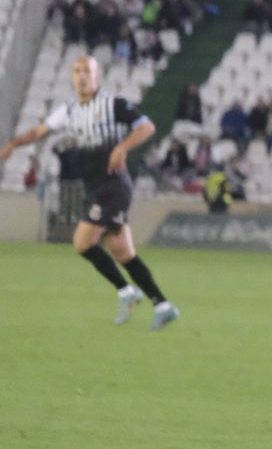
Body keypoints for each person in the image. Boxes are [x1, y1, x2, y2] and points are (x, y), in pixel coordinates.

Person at [0, 56, 180, 329]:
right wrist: (15, 143)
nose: (82, 76)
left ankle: (127, 292)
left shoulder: (113, 104)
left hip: (113, 187)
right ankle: (163, 305)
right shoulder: (70, 110)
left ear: (98, 77)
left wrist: (121, 148)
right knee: (122, 251)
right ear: (72, 77)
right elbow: (40, 130)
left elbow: (146, 127)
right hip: (94, 187)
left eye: (88, 71)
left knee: (83, 242)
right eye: (77, 71)